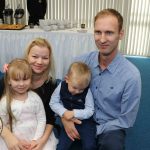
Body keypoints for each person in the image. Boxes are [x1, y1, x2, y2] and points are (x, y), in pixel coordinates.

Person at [61, 8, 141, 150]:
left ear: (121, 34)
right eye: (98, 32)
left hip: (111, 127)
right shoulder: (80, 62)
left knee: (112, 146)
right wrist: (64, 119)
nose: (102, 39)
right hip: (81, 119)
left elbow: (126, 120)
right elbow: (62, 93)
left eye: (109, 33)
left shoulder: (131, 76)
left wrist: (94, 132)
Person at [0, 37, 58, 150]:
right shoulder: (8, 80)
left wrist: (40, 142)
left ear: (49, 60)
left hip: (38, 133)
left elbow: (50, 119)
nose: (39, 62)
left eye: (45, 58)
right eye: (35, 56)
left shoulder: (51, 85)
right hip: (8, 131)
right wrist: (8, 136)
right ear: (27, 56)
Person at [50, 62, 97, 150]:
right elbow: (53, 103)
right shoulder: (61, 86)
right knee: (61, 147)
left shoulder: (87, 91)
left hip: (85, 123)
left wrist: (74, 113)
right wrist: (64, 112)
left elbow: (90, 110)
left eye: (81, 89)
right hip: (67, 120)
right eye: (74, 87)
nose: (77, 92)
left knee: (89, 146)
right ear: (67, 79)